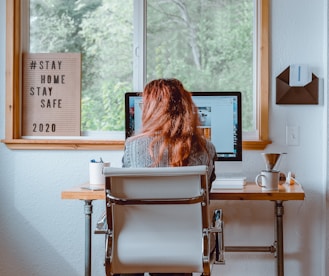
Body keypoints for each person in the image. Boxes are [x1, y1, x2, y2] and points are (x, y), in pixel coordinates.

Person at [121, 78, 217, 276]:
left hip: (138, 243)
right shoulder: (207, 148)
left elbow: (127, 195)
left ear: (150, 109)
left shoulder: (132, 146)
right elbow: (208, 189)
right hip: (185, 245)